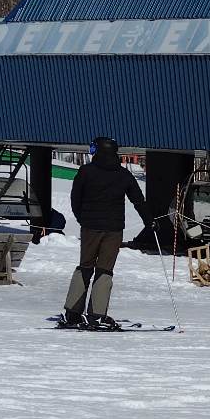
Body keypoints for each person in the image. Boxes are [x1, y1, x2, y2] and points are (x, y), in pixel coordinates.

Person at [63, 136, 149, 331]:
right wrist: (149, 221)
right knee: (104, 270)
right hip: (114, 229)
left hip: (90, 227)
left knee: (85, 266)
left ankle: (73, 312)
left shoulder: (86, 171)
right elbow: (138, 200)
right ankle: (96, 315)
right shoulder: (123, 174)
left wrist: (82, 218)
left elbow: (75, 198)